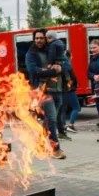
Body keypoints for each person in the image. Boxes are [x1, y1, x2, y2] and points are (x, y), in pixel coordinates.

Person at [26, 29, 68, 158]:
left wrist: (61, 68)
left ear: (47, 39)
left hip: (58, 89)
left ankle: (40, 145)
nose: (38, 40)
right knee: (51, 118)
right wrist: (52, 71)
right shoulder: (31, 53)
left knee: (47, 121)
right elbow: (33, 70)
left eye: (41, 38)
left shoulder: (54, 51)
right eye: (36, 38)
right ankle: (56, 149)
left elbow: (68, 65)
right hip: (43, 91)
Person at [59, 51, 81, 134]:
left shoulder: (61, 66)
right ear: (70, 56)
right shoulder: (68, 66)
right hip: (69, 90)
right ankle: (71, 125)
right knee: (76, 107)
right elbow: (72, 78)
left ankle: (63, 126)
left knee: (63, 109)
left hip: (62, 90)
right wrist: (75, 84)